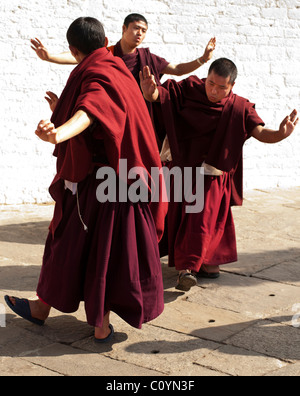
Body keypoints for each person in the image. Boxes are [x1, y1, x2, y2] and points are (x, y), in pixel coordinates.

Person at [5, 17, 168, 342]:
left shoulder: (99, 74)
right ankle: (45, 309)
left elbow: (92, 112)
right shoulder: (117, 68)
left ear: (74, 49)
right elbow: (96, 114)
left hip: (100, 185)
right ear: (107, 38)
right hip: (120, 181)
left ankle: (100, 326)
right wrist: (62, 113)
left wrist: (58, 133)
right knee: (74, 246)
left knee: (98, 252)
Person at [140, 58, 299, 292]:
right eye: (211, 83)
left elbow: (260, 132)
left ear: (232, 86)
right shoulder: (188, 89)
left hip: (211, 175)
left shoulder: (239, 107)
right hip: (181, 169)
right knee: (182, 218)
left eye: (221, 87)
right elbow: (161, 98)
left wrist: (280, 134)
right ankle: (190, 265)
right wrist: (150, 93)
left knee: (203, 220)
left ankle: (190, 266)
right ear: (206, 77)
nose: (214, 91)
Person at [30, 13, 216, 144]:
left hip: (140, 116)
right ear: (124, 28)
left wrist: (203, 59)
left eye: (144, 30)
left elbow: (177, 69)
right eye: (136, 28)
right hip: (111, 116)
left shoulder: (147, 58)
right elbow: (82, 58)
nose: (140, 33)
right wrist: (50, 57)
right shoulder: (108, 54)